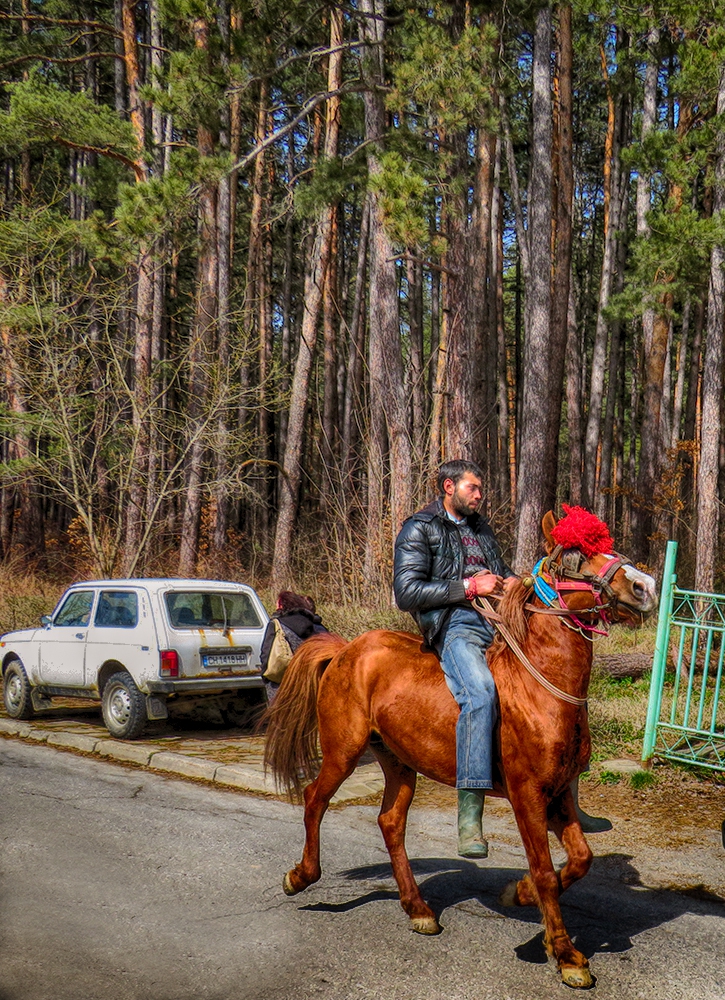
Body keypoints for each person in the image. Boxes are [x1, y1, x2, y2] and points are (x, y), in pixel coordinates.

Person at [393, 459, 518, 858]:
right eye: (473, 488)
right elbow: (407, 592)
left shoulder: (481, 528)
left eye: (480, 489)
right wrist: (468, 586)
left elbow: (498, 571)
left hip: (500, 622)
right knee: (480, 694)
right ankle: (469, 820)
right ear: (449, 487)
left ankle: (568, 803)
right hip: (455, 625)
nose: (479, 495)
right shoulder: (420, 527)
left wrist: (513, 580)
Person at [260, 591, 327, 703]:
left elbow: (265, 655)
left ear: (282, 605)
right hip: (312, 685)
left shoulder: (277, 625)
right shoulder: (318, 627)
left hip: (282, 687)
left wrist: (265, 678)